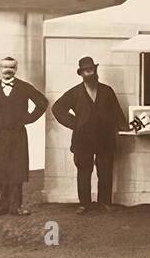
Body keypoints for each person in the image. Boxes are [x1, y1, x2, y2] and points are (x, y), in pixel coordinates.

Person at [0, 56, 48, 217]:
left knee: (17, 170)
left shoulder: (25, 87)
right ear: (0, 69)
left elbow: (42, 102)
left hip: (18, 135)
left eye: (11, 67)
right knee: (1, 170)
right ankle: (3, 206)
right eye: (5, 67)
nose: (8, 70)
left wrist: (28, 118)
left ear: (16, 69)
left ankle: (17, 206)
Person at [52, 56, 127, 213]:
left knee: (105, 171)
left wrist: (123, 127)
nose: (90, 73)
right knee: (84, 171)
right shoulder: (74, 93)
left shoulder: (107, 91)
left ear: (95, 70)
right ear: (81, 73)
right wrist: (76, 124)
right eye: (86, 71)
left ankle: (105, 202)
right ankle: (84, 204)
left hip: (104, 138)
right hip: (83, 139)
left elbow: (117, 112)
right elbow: (57, 109)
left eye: (92, 69)